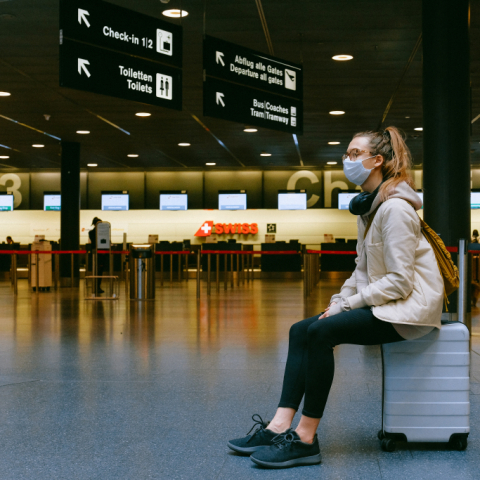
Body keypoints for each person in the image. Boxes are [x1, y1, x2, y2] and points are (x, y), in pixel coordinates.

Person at [227, 126, 444, 469]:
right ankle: (278, 425)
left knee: (321, 333)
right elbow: (362, 269)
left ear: (377, 161)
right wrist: (338, 301)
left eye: (355, 154)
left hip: (408, 312)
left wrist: (350, 305)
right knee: (301, 329)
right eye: (347, 153)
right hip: (386, 304)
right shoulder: (371, 209)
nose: (347, 159)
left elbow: (401, 282)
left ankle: (305, 438)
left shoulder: (396, 210)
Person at [89, 217, 105, 293]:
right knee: (97, 271)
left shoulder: (100, 232)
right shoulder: (92, 233)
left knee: (100, 271)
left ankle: (97, 286)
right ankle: (96, 286)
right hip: (97, 254)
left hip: (101, 253)